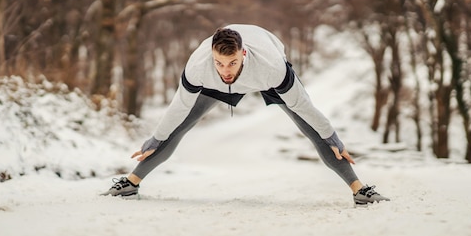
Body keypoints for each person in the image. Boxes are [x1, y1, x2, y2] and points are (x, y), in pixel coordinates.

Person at [103, 24, 389, 206]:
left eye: (232, 62)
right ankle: (130, 184)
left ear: (244, 55)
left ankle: (359, 190)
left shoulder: (271, 68)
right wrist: (156, 137)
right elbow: (178, 108)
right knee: (175, 130)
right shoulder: (200, 67)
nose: (225, 70)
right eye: (219, 63)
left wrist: (331, 135)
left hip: (266, 75)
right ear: (211, 56)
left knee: (313, 131)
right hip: (214, 87)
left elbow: (304, 106)